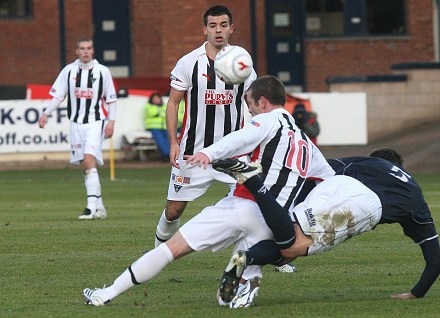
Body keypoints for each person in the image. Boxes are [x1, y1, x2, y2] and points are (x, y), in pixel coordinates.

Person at [82, 75, 335, 306]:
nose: (250, 111)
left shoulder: (267, 120)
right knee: (229, 290)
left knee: (170, 249)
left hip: (243, 206)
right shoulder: (305, 141)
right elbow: (329, 180)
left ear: (263, 101)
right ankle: (245, 287)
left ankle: (105, 294)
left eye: (250, 105)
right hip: (272, 223)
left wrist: (207, 152)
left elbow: (239, 138)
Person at [213, 148, 439, 307]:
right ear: (400, 167)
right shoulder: (415, 195)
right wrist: (416, 294)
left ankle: (247, 256)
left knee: (286, 253)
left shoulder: (366, 162)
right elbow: (435, 259)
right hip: (364, 203)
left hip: (335, 186)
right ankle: (253, 184)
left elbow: (316, 170)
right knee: (294, 246)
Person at [153, 5, 257, 248]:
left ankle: (274, 257)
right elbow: (173, 104)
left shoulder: (242, 63)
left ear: (231, 28)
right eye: (213, 26)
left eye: (223, 25)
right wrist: (173, 142)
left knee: (256, 202)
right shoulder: (189, 63)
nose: (218, 31)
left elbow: (253, 104)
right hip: (193, 151)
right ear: (204, 29)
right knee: (174, 210)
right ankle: (157, 253)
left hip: (233, 152)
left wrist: (255, 139)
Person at [38, 37, 117, 220]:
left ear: (93, 50)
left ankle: (90, 208)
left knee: (89, 161)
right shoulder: (69, 71)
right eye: (82, 48)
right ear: (77, 51)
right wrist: (46, 113)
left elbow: (111, 99)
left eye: (89, 48)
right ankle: (99, 207)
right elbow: (58, 96)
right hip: (75, 124)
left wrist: (111, 122)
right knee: (85, 165)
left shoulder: (102, 72)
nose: (86, 51)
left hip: (95, 122)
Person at [144, 93, 170, 161]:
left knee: (168, 139)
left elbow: (168, 114)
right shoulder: (148, 106)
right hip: (153, 127)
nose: (156, 100)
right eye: (154, 98)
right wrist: (160, 112)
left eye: (157, 98)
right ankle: (167, 154)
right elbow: (151, 113)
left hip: (164, 127)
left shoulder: (164, 106)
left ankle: (164, 155)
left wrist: (159, 113)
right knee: (160, 139)